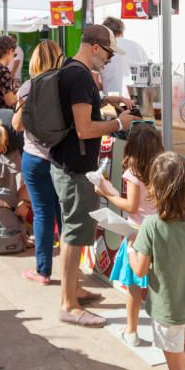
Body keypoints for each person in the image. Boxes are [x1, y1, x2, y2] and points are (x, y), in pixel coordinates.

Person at [50, 24, 136, 328]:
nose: (110, 60)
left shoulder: (69, 69)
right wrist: (118, 124)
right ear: (96, 47)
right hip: (75, 165)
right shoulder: (81, 75)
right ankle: (68, 304)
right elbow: (85, 128)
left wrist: (106, 101)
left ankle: (72, 288)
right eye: (109, 53)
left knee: (74, 230)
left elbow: (76, 113)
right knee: (74, 234)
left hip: (64, 162)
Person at [129, 153, 185, 370]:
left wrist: (130, 248)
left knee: (175, 359)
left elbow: (139, 271)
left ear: (156, 189)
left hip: (167, 310)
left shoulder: (151, 225)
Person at [95, 123, 163, 347]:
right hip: (161, 234)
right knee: (159, 284)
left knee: (134, 287)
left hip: (137, 235)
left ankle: (132, 331)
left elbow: (131, 206)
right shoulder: (163, 169)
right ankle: (161, 329)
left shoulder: (133, 173)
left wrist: (107, 193)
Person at [12, 39, 63, 285]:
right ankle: (72, 266)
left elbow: (16, 124)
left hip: (34, 157)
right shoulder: (66, 86)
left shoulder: (28, 87)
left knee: (43, 212)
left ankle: (43, 271)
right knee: (63, 212)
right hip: (61, 158)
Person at [100, 17, 151, 102]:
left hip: (112, 101)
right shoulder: (137, 47)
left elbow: (95, 79)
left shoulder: (104, 48)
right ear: (122, 31)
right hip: (137, 100)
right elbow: (150, 72)